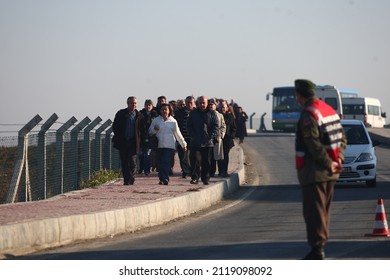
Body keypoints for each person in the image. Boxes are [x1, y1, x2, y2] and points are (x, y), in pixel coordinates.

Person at [294, 79, 347, 260]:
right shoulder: (328, 110)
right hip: (331, 173)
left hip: (315, 173)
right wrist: (338, 159)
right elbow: (342, 138)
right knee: (323, 211)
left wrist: (328, 163)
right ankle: (319, 248)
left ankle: (317, 251)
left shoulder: (309, 114)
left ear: (299, 95)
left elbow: (313, 144)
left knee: (314, 212)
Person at [149, 103, 187, 185]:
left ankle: (165, 178)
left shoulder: (173, 121)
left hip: (169, 146)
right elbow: (150, 132)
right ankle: (161, 178)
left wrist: (183, 144)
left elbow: (178, 134)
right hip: (158, 145)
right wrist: (155, 129)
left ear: (169, 111)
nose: (164, 111)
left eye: (166, 109)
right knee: (160, 163)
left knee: (166, 162)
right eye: (162, 109)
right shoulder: (156, 120)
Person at [187, 96, 219, 185]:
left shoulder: (212, 113)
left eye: (203, 103)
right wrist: (193, 135)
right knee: (195, 161)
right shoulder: (193, 113)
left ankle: (205, 178)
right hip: (195, 142)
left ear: (207, 103)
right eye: (200, 103)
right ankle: (195, 178)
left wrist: (211, 136)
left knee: (206, 162)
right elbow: (189, 125)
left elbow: (216, 126)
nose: (202, 104)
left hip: (208, 143)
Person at [112, 96, 140, 185]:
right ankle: (126, 179)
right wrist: (119, 136)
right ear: (128, 103)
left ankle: (132, 176)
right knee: (124, 161)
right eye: (132, 103)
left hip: (133, 141)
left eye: (135, 103)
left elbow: (142, 130)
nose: (133, 105)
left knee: (132, 160)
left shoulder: (139, 116)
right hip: (123, 141)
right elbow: (115, 126)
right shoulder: (121, 113)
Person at [174, 95, 196, 178]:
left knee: (194, 156)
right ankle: (185, 171)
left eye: (191, 103)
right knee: (183, 156)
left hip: (194, 138)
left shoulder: (197, 112)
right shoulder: (179, 112)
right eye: (187, 103)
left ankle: (193, 171)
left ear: (194, 103)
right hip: (182, 138)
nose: (189, 104)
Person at [136, 99, 159, 176]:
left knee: (147, 154)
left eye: (149, 105)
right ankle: (141, 168)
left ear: (152, 106)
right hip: (142, 136)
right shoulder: (141, 114)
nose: (148, 106)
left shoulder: (155, 114)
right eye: (147, 105)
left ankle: (147, 170)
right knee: (141, 154)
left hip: (151, 137)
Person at [217, 101, 237, 177]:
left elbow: (234, 128)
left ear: (227, 108)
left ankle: (224, 171)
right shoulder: (217, 116)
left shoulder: (230, 117)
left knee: (225, 156)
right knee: (219, 156)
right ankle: (220, 171)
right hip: (219, 139)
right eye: (221, 107)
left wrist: (231, 136)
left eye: (224, 107)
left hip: (227, 139)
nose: (223, 109)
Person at [208, 98, 226, 177]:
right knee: (211, 157)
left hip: (218, 138)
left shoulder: (220, 115)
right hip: (208, 139)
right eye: (210, 105)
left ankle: (221, 171)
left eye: (212, 105)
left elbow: (223, 126)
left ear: (215, 106)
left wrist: (221, 135)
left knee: (219, 156)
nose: (211, 106)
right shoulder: (206, 114)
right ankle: (211, 172)